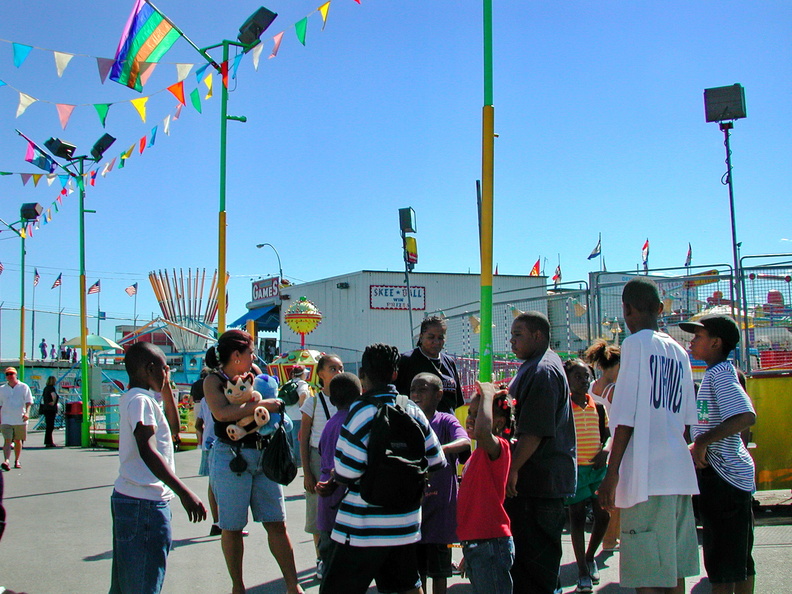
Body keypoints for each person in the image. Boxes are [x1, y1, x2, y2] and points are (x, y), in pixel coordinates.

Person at [598, 277, 700, 594]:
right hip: (678, 474)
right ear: (659, 309)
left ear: (626, 309)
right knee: (673, 572)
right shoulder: (680, 351)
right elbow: (686, 422)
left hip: (647, 478)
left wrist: (611, 474)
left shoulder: (634, 345)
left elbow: (625, 418)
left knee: (648, 577)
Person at [320, 343, 446, 594]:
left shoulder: (360, 411)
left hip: (360, 528)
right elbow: (436, 460)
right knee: (407, 587)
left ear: (363, 376)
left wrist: (335, 478)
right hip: (405, 525)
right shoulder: (412, 409)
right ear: (395, 374)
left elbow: (347, 471)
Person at [203, 329, 303, 594]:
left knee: (277, 523)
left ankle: (293, 586)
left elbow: (268, 401)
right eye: (250, 351)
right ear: (236, 355)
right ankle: (238, 587)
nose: (254, 356)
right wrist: (262, 406)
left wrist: (277, 404)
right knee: (232, 527)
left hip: (263, 454)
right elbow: (222, 413)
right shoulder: (213, 381)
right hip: (231, 456)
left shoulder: (255, 372)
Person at [110, 342, 206, 593]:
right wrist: (184, 492)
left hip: (134, 499)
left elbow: (173, 430)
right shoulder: (140, 401)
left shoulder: (140, 398)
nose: (168, 375)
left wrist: (164, 391)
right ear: (149, 368)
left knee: (126, 582)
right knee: (143, 582)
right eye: (165, 369)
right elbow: (147, 449)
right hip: (145, 503)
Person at [680, 314, 757, 594]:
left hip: (724, 480)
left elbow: (745, 416)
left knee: (724, 566)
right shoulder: (715, 373)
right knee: (737, 562)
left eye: (698, 337)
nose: (691, 342)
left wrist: (701, 443)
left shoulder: (721, 374)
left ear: (715, 343)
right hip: (728, 479)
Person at [504, 312, 576, 594]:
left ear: (538, 336)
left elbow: (533, 432)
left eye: (518, 335)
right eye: (511, 335)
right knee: (529, 567)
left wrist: (512, 469)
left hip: (538, 485)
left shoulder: (542, 370)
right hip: (536, 483)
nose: (512, 341)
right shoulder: (534, 366)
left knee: (535, 570)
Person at [410, 372, 470, 594]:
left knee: (440, 571)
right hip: (414, 510)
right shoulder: (407, 420)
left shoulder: (445, 420)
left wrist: (438, 451)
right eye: (413, 389)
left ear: (438, 395)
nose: (416, 394)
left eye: (423, 389)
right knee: (417, 573)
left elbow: (464, 441)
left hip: (441, 513)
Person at [457, 381, 514, 594]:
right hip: (478, 544)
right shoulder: (477, 455)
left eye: (478, 412)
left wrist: (488, 394)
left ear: (498, 422)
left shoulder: (499, 448)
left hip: (491, 543)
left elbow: (482, 431)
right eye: (470, 412)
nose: (471, 418)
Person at [563, 359, 610, 594]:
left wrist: (605, 450)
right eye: (578, 377)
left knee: (604, 515)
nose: (584, 381)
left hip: (597, 469)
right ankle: (582, 570)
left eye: (587, 376)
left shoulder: (598, 407)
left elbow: (608, 435)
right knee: (578, 518)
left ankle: (590, 556)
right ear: (567, 379)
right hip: (575, 470)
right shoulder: (564, 407)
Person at [299, 353, 343, 579]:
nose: (338, 372)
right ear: (322, 374)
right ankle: (321, 558)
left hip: (343, 458)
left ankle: (341, 559)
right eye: (333, 368)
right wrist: (307, 472)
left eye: (341, 368)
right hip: (318, 457)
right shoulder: (312, 402)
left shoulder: (349, 401)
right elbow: (303, 437)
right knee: (317, 511)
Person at [315, 372, 362, 581]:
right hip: (349, 501)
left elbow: (321, 453)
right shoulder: (358, 422)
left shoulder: (329, 425)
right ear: (360, 394)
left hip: (327, 502)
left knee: (331, 567)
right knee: (351, 569)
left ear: (332, 400)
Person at [584, 339, 621, 550]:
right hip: (614, 444)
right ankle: (610, 539)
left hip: (597, 443)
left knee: (604, 493)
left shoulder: (592, 387)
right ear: (615, 365)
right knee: (615, 495)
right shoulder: (613, 390)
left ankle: (610, 538)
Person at [397, 315, 464, 414]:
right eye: (431, 337)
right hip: (418, 425)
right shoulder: (407, 360)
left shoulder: (449, 362)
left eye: (440, 338)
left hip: (446, 426)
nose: (436, 342)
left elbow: (455, 402)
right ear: (421, 337)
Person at [0, 367, 33, 471]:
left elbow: (29, 401)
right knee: (7, 440)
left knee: (18, 440)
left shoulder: (23, 387)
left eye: (12, 374)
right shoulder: (2, 389)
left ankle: (17, 460)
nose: (10, 376)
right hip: (6, 418)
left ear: (15, 374)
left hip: (20, 418)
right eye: (8, 374)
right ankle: (6, 460)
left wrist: (27, 413)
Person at [284, 365, 312, 466]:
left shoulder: (288, 382)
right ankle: (298, 461)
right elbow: (303, 394)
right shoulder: (302, 383)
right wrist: (302, 407)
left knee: (290, 438)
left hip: (288, 415)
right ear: (302, 374)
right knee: (298, 439)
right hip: (298, 416)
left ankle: (290, 459)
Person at [40, 376, 60, 448]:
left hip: (45, 408)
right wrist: (54, 402)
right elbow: (54, 395)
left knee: (48, 426)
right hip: (50, 409)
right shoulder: (52, 388)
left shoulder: (45, 388)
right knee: (50, 426)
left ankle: (48, 441)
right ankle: (49, 442)